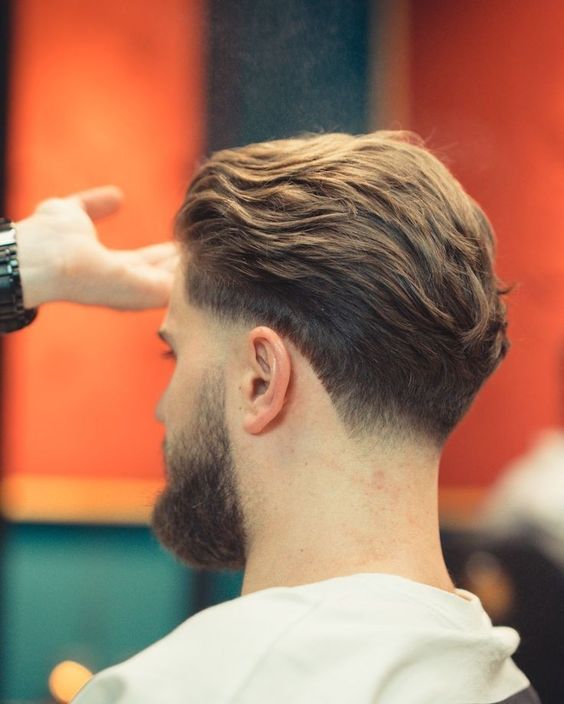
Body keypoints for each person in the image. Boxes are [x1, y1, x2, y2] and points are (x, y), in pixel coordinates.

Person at [6, 132, 540, 703]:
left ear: (261, 379)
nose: (163, 407)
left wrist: (19, 265)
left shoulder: (200, 688)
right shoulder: (491, 672)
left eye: (175, 353)